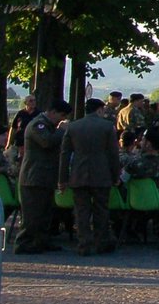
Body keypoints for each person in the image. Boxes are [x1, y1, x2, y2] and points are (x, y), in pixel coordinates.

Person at [58, 98, 121, 255]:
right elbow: (113, 154)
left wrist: (62, 178)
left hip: (79, 174)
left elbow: (64, 154)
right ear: (99, 110)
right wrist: (116, 175)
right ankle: (101, 242)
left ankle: (83, 244)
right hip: (101, 173)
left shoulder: (73, 127)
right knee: (101, 210)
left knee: (81, 211)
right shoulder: (107, 127)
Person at [15, 99, 70, 254]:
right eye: (61, 115)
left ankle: (41, 240)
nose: (62, 119)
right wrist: (61, 130)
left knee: (46, 213)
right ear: (52, 111)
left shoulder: (49, 125)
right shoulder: (37, 124)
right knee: (32, 215)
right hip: (34, 176)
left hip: (45, 176)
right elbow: (46, 142)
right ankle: (24, 243)